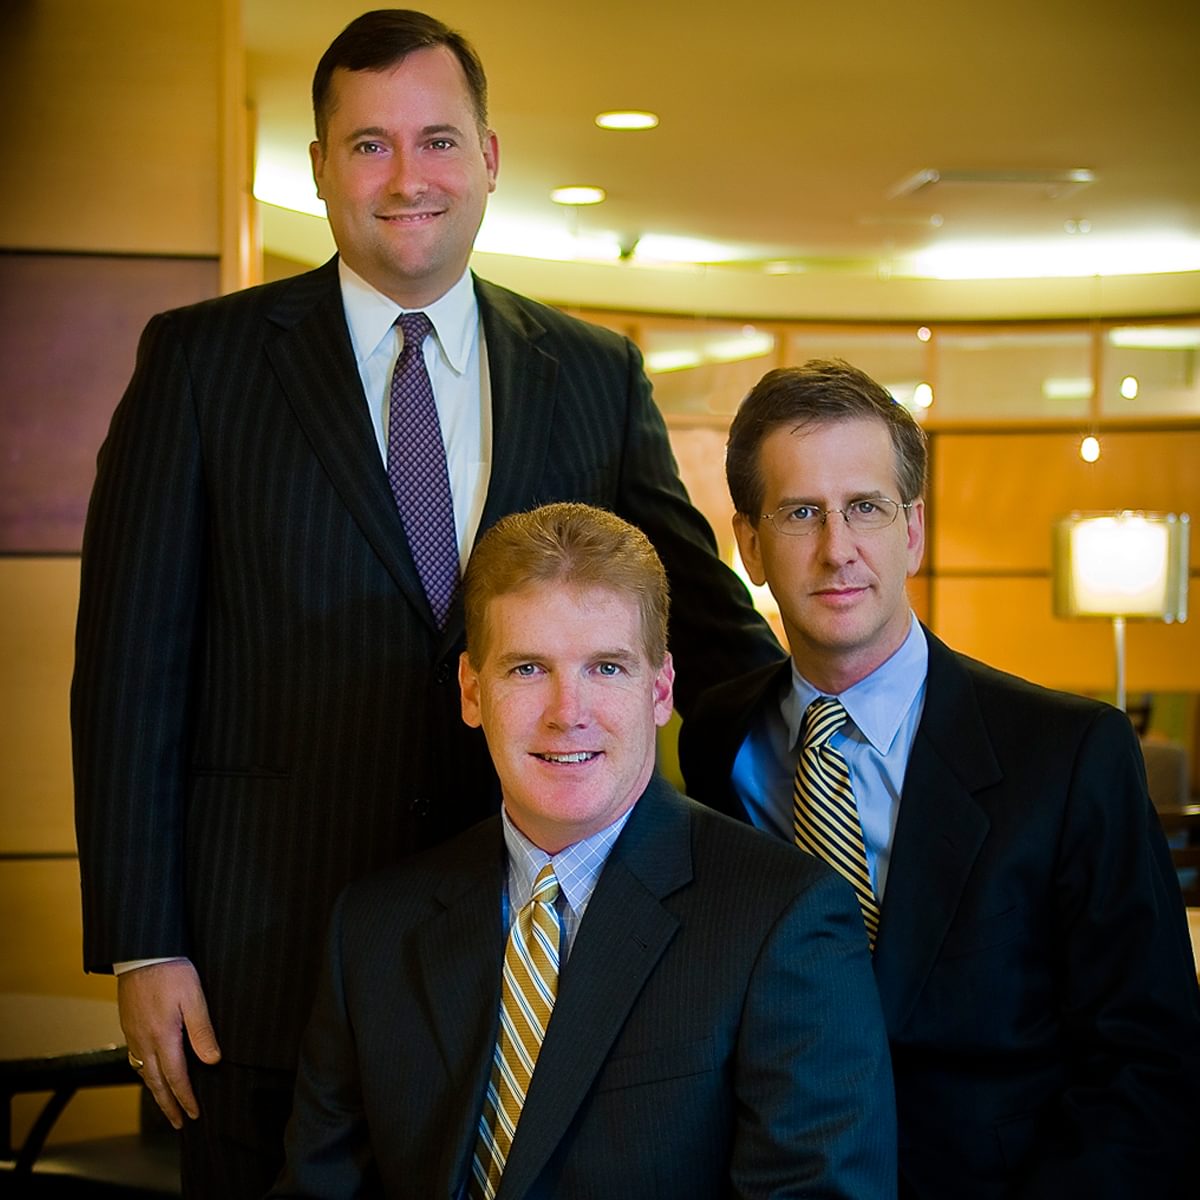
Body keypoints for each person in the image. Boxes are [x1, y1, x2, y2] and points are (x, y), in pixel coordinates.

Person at [70, 10, 780, 1196]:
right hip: (268, 959)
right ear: (319, 169)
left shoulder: (592, 374)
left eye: (439, 140)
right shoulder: (201, 364)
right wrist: (146, 940)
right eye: (369, 146)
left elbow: (699, 623)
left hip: (541, 947)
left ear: (492, 159)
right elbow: (131, 668)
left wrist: (840, 737)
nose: (409, 178)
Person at [679, 360, 1200, 1199]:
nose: (836, 548)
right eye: (801, 512)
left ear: (912, 530)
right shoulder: (718, 737)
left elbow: (1150, 1066)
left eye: (866, 509)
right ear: (750, 544)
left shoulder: (1070, 756)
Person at [272, 502, 896, 1199]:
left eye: (605, 667)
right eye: (528, 669)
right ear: (472, 691)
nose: (567, 712)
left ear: (660, 689)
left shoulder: (784, 922)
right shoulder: (373, 928)